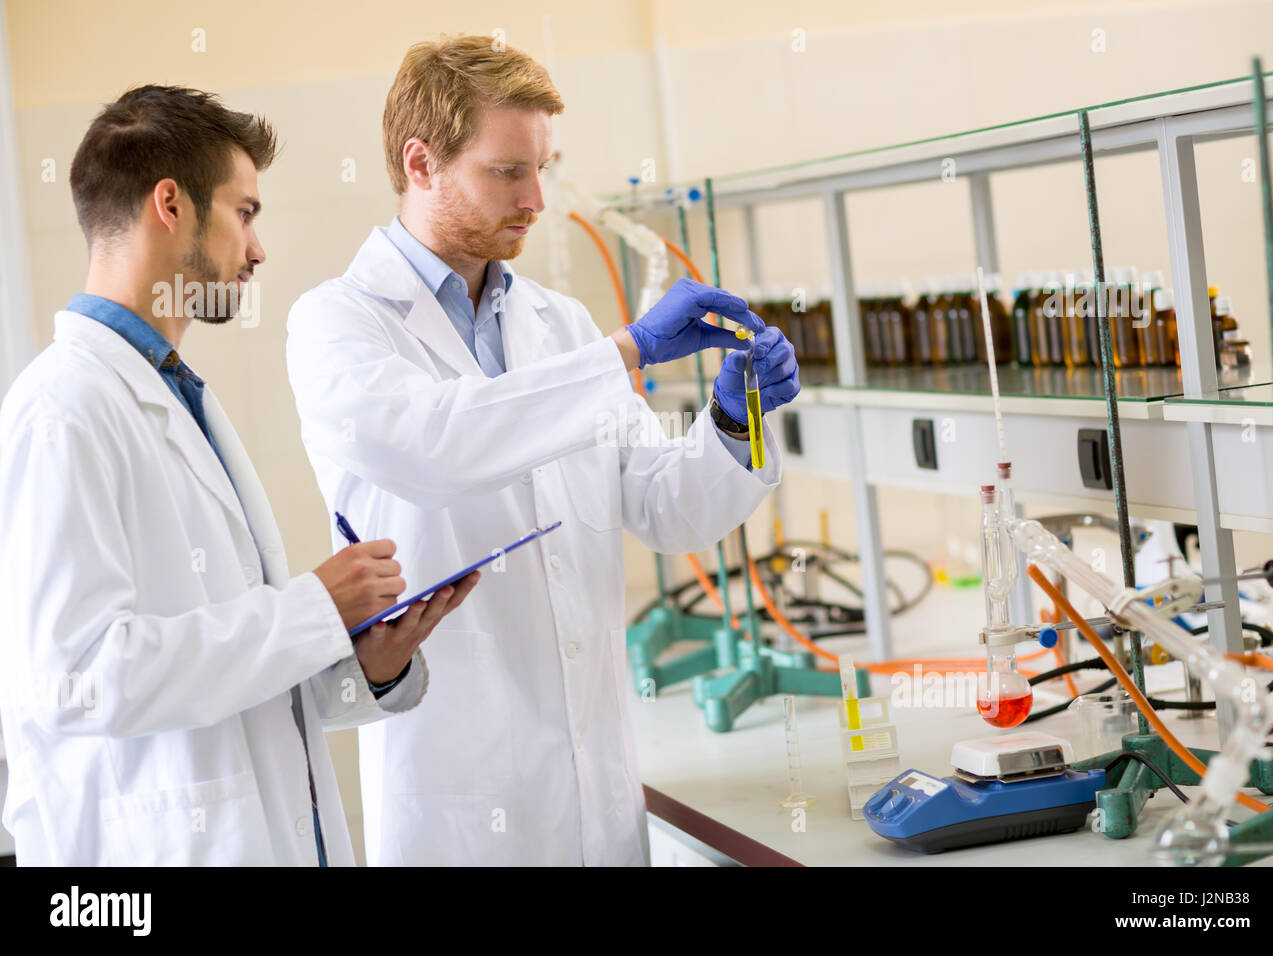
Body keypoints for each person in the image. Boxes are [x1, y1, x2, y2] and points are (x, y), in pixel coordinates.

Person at [285, 37, 800, 866]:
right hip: (458, 806)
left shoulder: (556, 326)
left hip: (596, 795)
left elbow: (665, 509)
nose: (536, 199)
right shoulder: (339, 323)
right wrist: (624, 352)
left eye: (542, 169)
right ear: (421, 164)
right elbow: (436, 443)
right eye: (506, 172)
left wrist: (732, 422)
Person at [0, 85, 478, 866]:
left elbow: (226, 683)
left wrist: (362, 664)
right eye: (244, 213)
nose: (258, 249)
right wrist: (310, 609)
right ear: (171, 205)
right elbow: (77, 678)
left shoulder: (174, 395)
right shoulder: (65, 408)